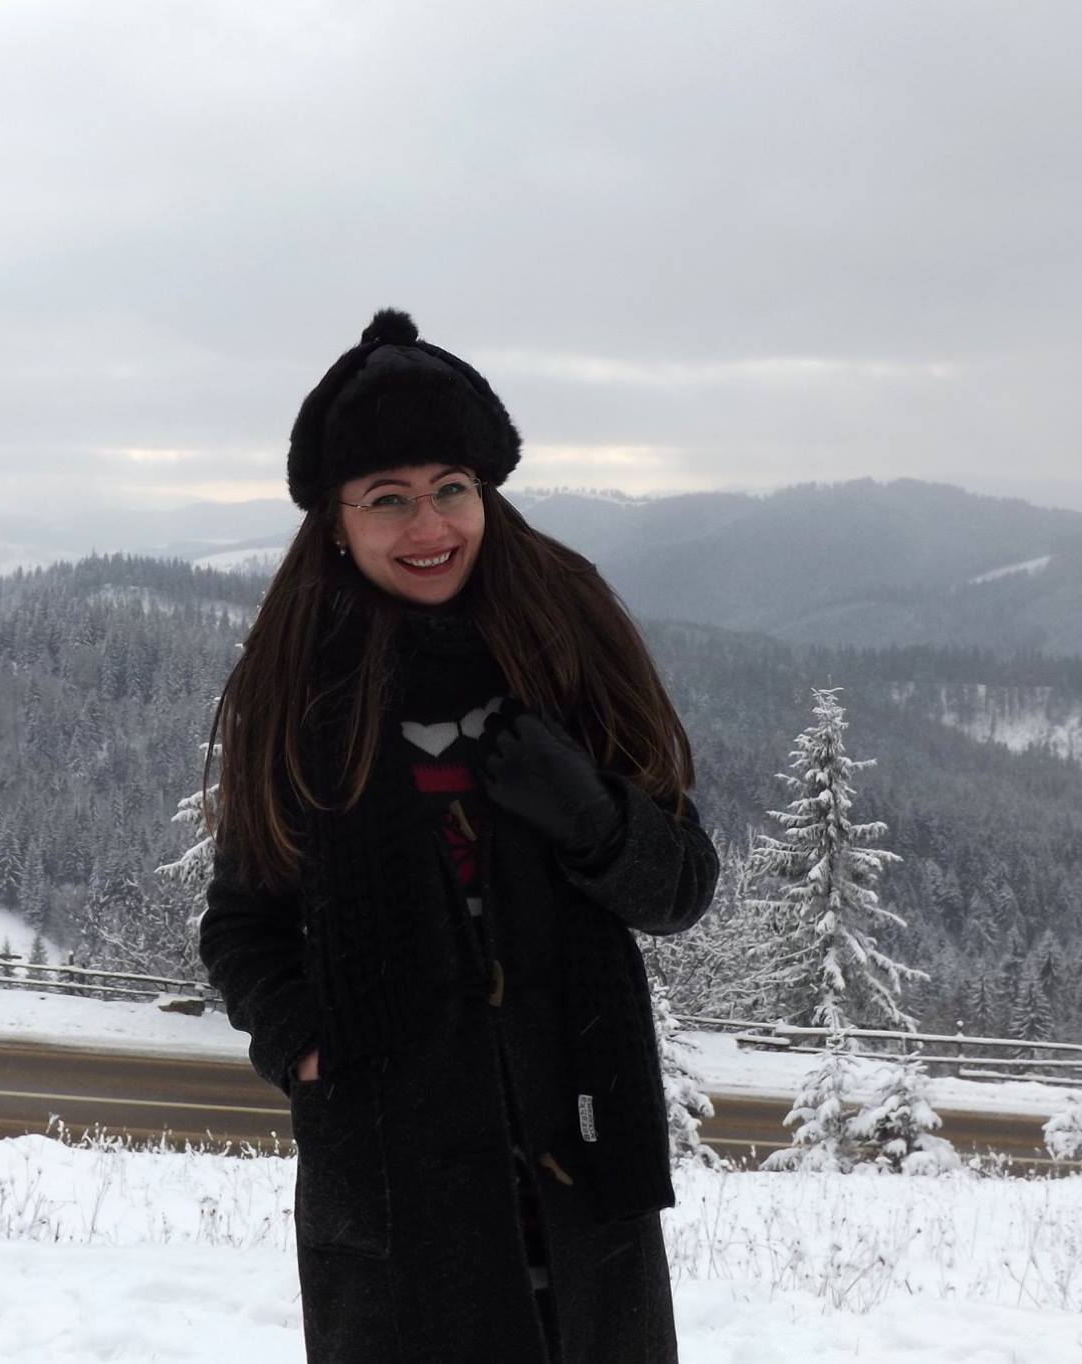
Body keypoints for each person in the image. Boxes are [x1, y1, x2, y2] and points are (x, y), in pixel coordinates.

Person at [199, 308, 719, 1363]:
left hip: (582, 1160)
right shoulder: (301, 687)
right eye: (387, 497)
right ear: (334, 520)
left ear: (486, 490)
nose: (427, 523)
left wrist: (593, 815)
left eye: (450, 487)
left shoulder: (568, 644)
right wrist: (307, 1045)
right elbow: (243, 923)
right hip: (396, 1187)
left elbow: (680, 886)